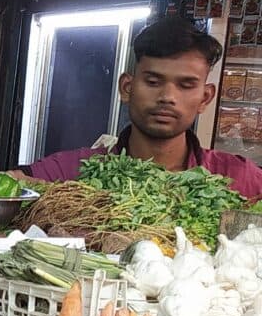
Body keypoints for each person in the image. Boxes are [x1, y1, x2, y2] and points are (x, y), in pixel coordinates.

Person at [16, 17, 262, 199]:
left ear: (205, 98)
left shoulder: (238, 179)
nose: (167, 96)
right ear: (126, 87)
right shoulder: (71, 172)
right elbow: (1, 186)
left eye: (186, 85)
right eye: (153, 82)